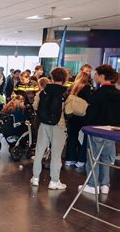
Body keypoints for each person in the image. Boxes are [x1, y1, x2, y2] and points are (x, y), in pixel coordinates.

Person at [79, 64, 120, 194]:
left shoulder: (98, 94)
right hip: (112, 130)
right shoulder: (117, 94)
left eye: (96, 74)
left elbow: (91, 113)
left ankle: (92, 184)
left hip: (96, 129)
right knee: (106, 159)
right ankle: (105, 185)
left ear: (102, 76)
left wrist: (85, 124)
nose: (94, 76)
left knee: (93, 158)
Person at [30, 67, 69, 190]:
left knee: (39, 150)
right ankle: (54, 181)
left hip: (44, 123)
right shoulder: (66, 93)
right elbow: (69, 110)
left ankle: (35, 178)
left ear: (51, 77)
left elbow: (36, 106)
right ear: (64, 79)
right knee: (56, 154)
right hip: (59, 125)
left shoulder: (44, 92)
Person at [65, 69, 92, 168]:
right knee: (82, 139)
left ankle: (69, 159)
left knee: (72, 137)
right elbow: (89, 102)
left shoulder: (72, 87)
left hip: (72, 116)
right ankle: (80, 160)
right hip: (82, 116)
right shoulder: (87, 88)